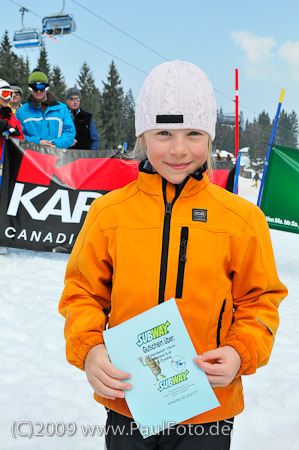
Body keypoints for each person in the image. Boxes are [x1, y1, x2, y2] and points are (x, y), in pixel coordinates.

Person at [59, 61, 287, 450]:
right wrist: (90, 348)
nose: (179, 149)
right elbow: (82, 293)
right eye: (164, 132)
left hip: (208, 405)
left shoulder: (242, 218)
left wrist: (239, 352)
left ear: (210, 138)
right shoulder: (109, 212)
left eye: (194, 133)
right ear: (143, 136)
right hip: (129, 399)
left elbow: (260, 301)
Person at [16, 68, 75, 148]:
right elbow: (18, 135)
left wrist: (56, 145)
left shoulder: (62, 109)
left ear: (46, 87)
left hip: (57, 156)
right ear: (30, 88)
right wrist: (37, 142)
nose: (38, 91)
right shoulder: (21, 112)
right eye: (34, 87)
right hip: (32, 157)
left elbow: (69, 132)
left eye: (42, 87)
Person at [0, 79, 24, 163]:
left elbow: (21, 142)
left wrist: (13, 134)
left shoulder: (10, 117)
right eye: (5, 94)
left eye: (10, 94)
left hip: (5, 164)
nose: (8, 98)